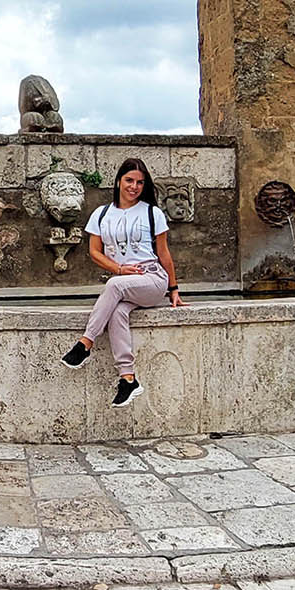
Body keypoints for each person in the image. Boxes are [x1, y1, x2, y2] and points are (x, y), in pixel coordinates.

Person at [60, 157, 185, 406]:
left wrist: (173, 288)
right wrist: (118, 268)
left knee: (114, 285)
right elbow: (94, 252)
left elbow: (164, 253)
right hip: (124, 281)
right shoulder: (101, 214)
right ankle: (128, 379)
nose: (134, 186)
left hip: (152, 279)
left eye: (140, 182)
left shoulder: (152, 212)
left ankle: (85, 343)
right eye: (129, 180)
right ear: (118, 181)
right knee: (117, 312)